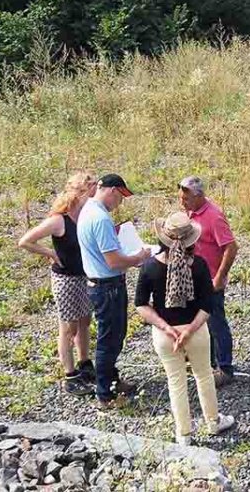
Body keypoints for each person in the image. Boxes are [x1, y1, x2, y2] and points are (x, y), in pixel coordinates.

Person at [134, 211, 236, 445]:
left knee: (176, 381)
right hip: (196, 331)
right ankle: (213, 422)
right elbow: (207, 305)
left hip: (165, 335)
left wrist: (166, 327)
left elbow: (141, 304)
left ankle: (184, 434)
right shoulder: (198, 265)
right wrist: (189, 330)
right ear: (191, 240)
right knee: (204, 376)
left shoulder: (149, 267)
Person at [16, 171, 98, 395]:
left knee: (84, 322)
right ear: (81, 193)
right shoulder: (58, 220)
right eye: (91, 190)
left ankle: (84, 363)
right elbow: (25, 241)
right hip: (66, 280)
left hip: (83, 276)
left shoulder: (85, 216)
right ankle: (70, 376)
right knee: (68, 328)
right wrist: (50, 253)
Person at [77, 173, 152, 408]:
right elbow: (113, 261)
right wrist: (139, 257)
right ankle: (105, 395)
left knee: (113, 336)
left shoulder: (88, 211)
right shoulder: (100, 219)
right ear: (112, 191)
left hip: (101, 284)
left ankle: (111, 380)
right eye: (120, 197)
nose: (120, 203)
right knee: (109, 340)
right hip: (107, 286)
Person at [178, 175, 239, 386]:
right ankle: (207, 363)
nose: (182, 203)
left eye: (186, 199)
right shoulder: (191, 212)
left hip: (211, 281)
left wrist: (220, 277)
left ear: (199, 196)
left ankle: (225, 368)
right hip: (195, 279)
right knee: (200, 323)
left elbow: (231, 247)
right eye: (181, 198)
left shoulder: (214, 217)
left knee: (216, 323)